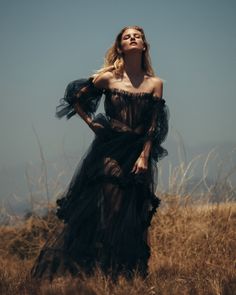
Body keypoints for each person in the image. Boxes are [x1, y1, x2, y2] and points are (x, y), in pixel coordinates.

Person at [30, 25, 169, 282]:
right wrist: (91, 122)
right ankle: (105, 272)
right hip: (109, 151)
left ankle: (127, 275)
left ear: (144, 45)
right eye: (127, 37)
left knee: (135, 216)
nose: (133, 38)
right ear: (120, 47)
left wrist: (145, 156)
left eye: (137, 36)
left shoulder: (156, 84)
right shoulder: (108, 78)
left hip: (137, 153)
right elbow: (76, 98)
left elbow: (154, 125)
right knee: (112, 212)